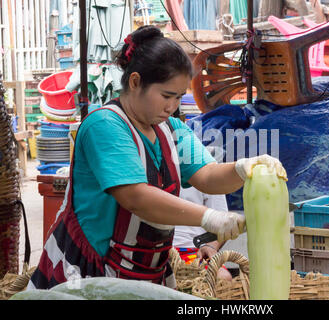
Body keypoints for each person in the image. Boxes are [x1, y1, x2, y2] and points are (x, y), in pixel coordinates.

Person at [28, 25, 287, 290]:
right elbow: (136, 197)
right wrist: (209, 218)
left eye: (178, 98)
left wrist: (245, 168)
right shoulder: (104, 126)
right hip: (86, 274)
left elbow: (208, 177)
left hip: (145, 274)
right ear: (135, 81)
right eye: (165, 95)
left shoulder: (172, 131)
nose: (172, 107)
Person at [174, 186, 232, 281]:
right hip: (152, 249)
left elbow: (223, 225)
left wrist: (211, 247)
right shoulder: (142, 172)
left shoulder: (209, 173)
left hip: (194, 251)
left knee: (223, 277)